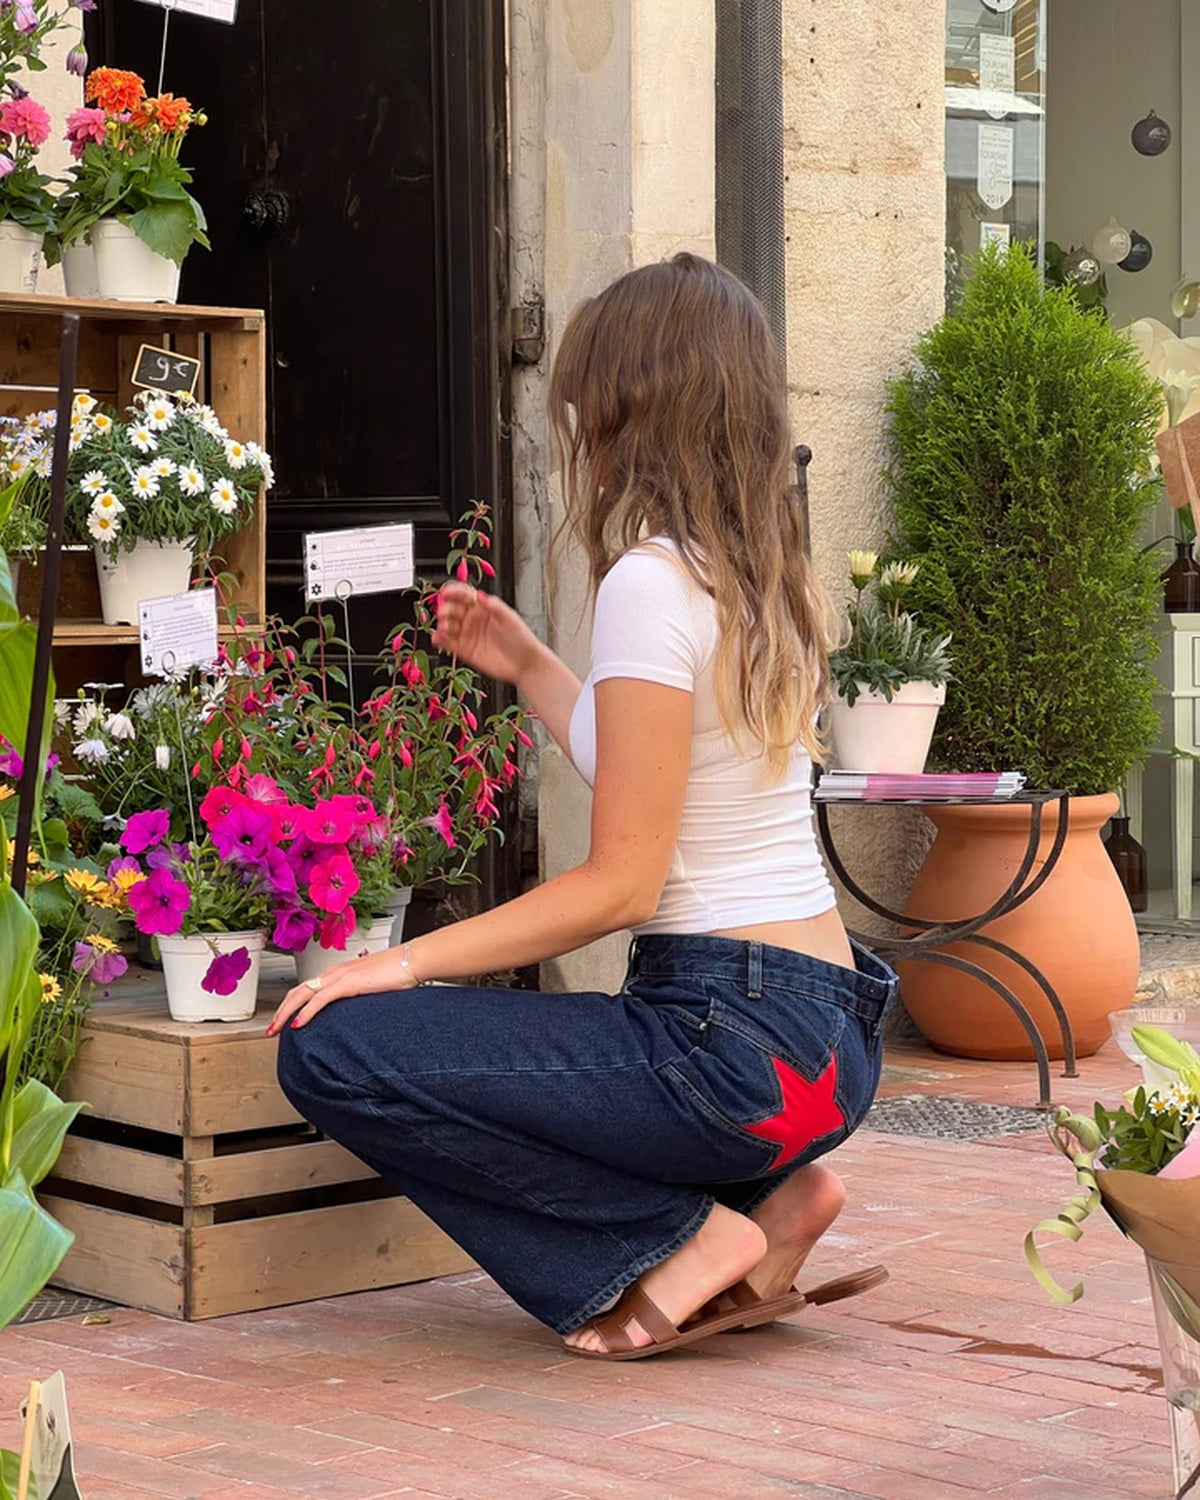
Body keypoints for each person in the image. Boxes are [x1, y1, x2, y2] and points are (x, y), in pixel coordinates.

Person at [272, 252, 898, 1361]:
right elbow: (664, 774)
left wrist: (397, 964)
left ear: (630, 410)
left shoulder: (650, 581)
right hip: (829, 1050)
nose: (581, 440)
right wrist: (531, 666)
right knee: (518, 1056)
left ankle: (678, 1237)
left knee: (332, 1048)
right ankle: (776, 1201)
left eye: (585, 411)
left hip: (723, 1048)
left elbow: (623, 885)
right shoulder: (769, 576)